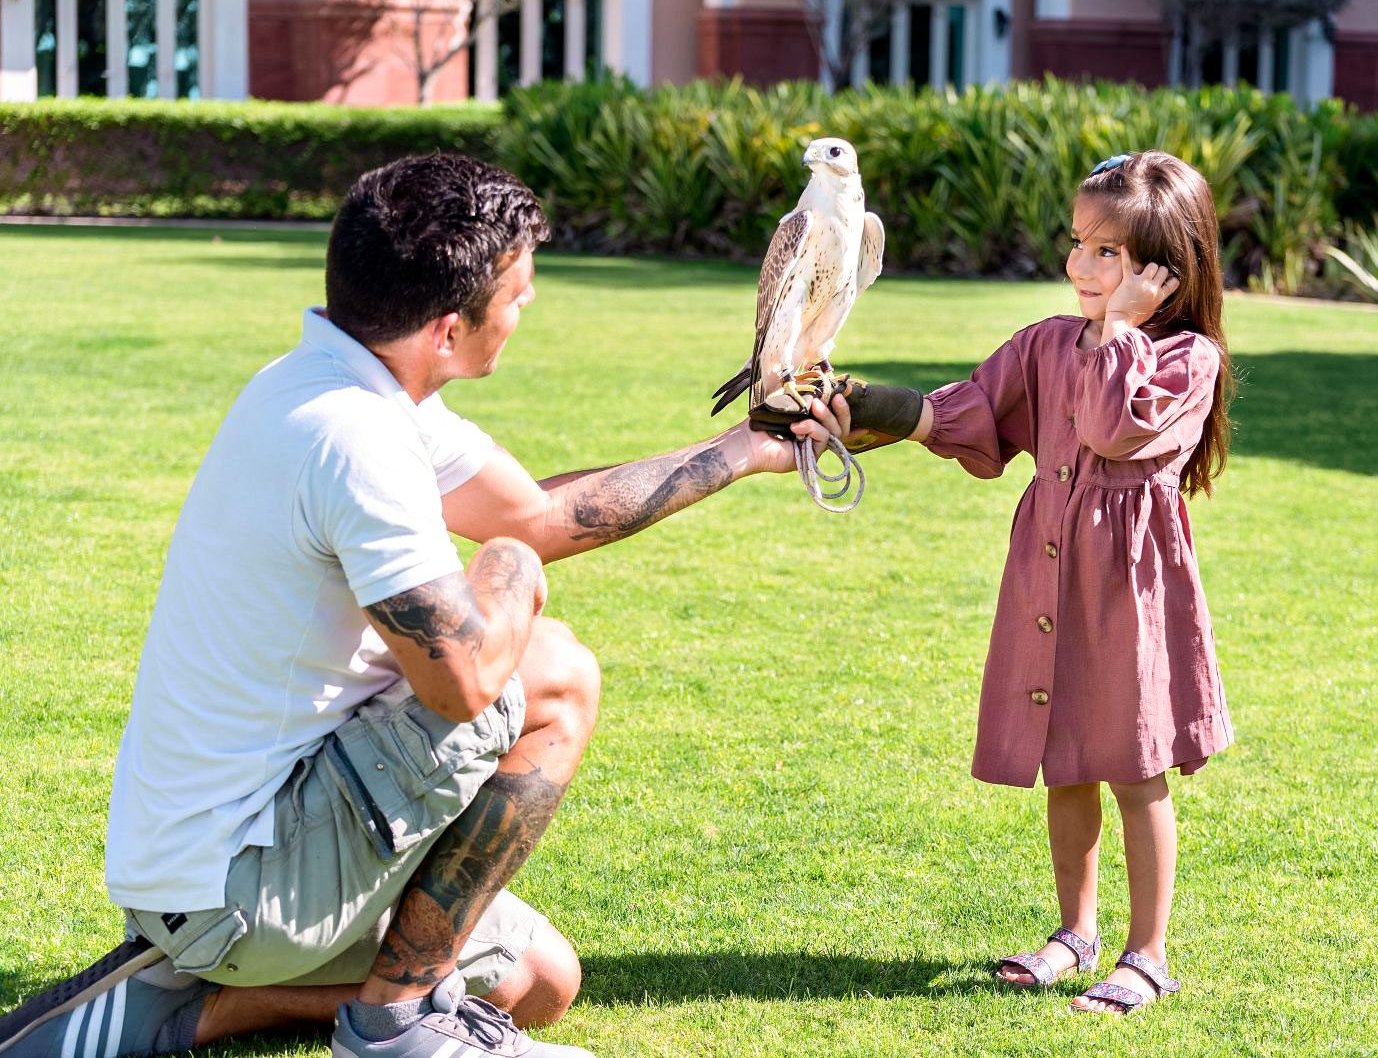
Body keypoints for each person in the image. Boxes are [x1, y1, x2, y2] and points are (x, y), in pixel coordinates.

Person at [0, 153, 848, 1058]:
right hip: (239, 876)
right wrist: (512, 568)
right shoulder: (353, 440)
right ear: (447, 330)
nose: (528, 309)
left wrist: (748, 448)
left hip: (220, 860)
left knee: (541, 981)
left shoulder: (342, 380)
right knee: (552, 671)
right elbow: (462, 681)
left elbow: (538, 512)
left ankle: (183, 1009)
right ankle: (395, 1026)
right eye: (518, 295)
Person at [843, 150, 1235, 1014]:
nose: (1080, 267)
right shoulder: (1047, 342)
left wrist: (1121, 331)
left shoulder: (1188, 361)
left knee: (1134, 766)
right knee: (1066, 759)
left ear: (1167, 273)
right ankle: (1076, 930)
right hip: (1049, 574)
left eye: (1108, 254)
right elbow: (972, 409)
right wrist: (859, 405)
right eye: (1078, 244)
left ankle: (1149, 951)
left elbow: (1107, 422)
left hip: (1128, 589)